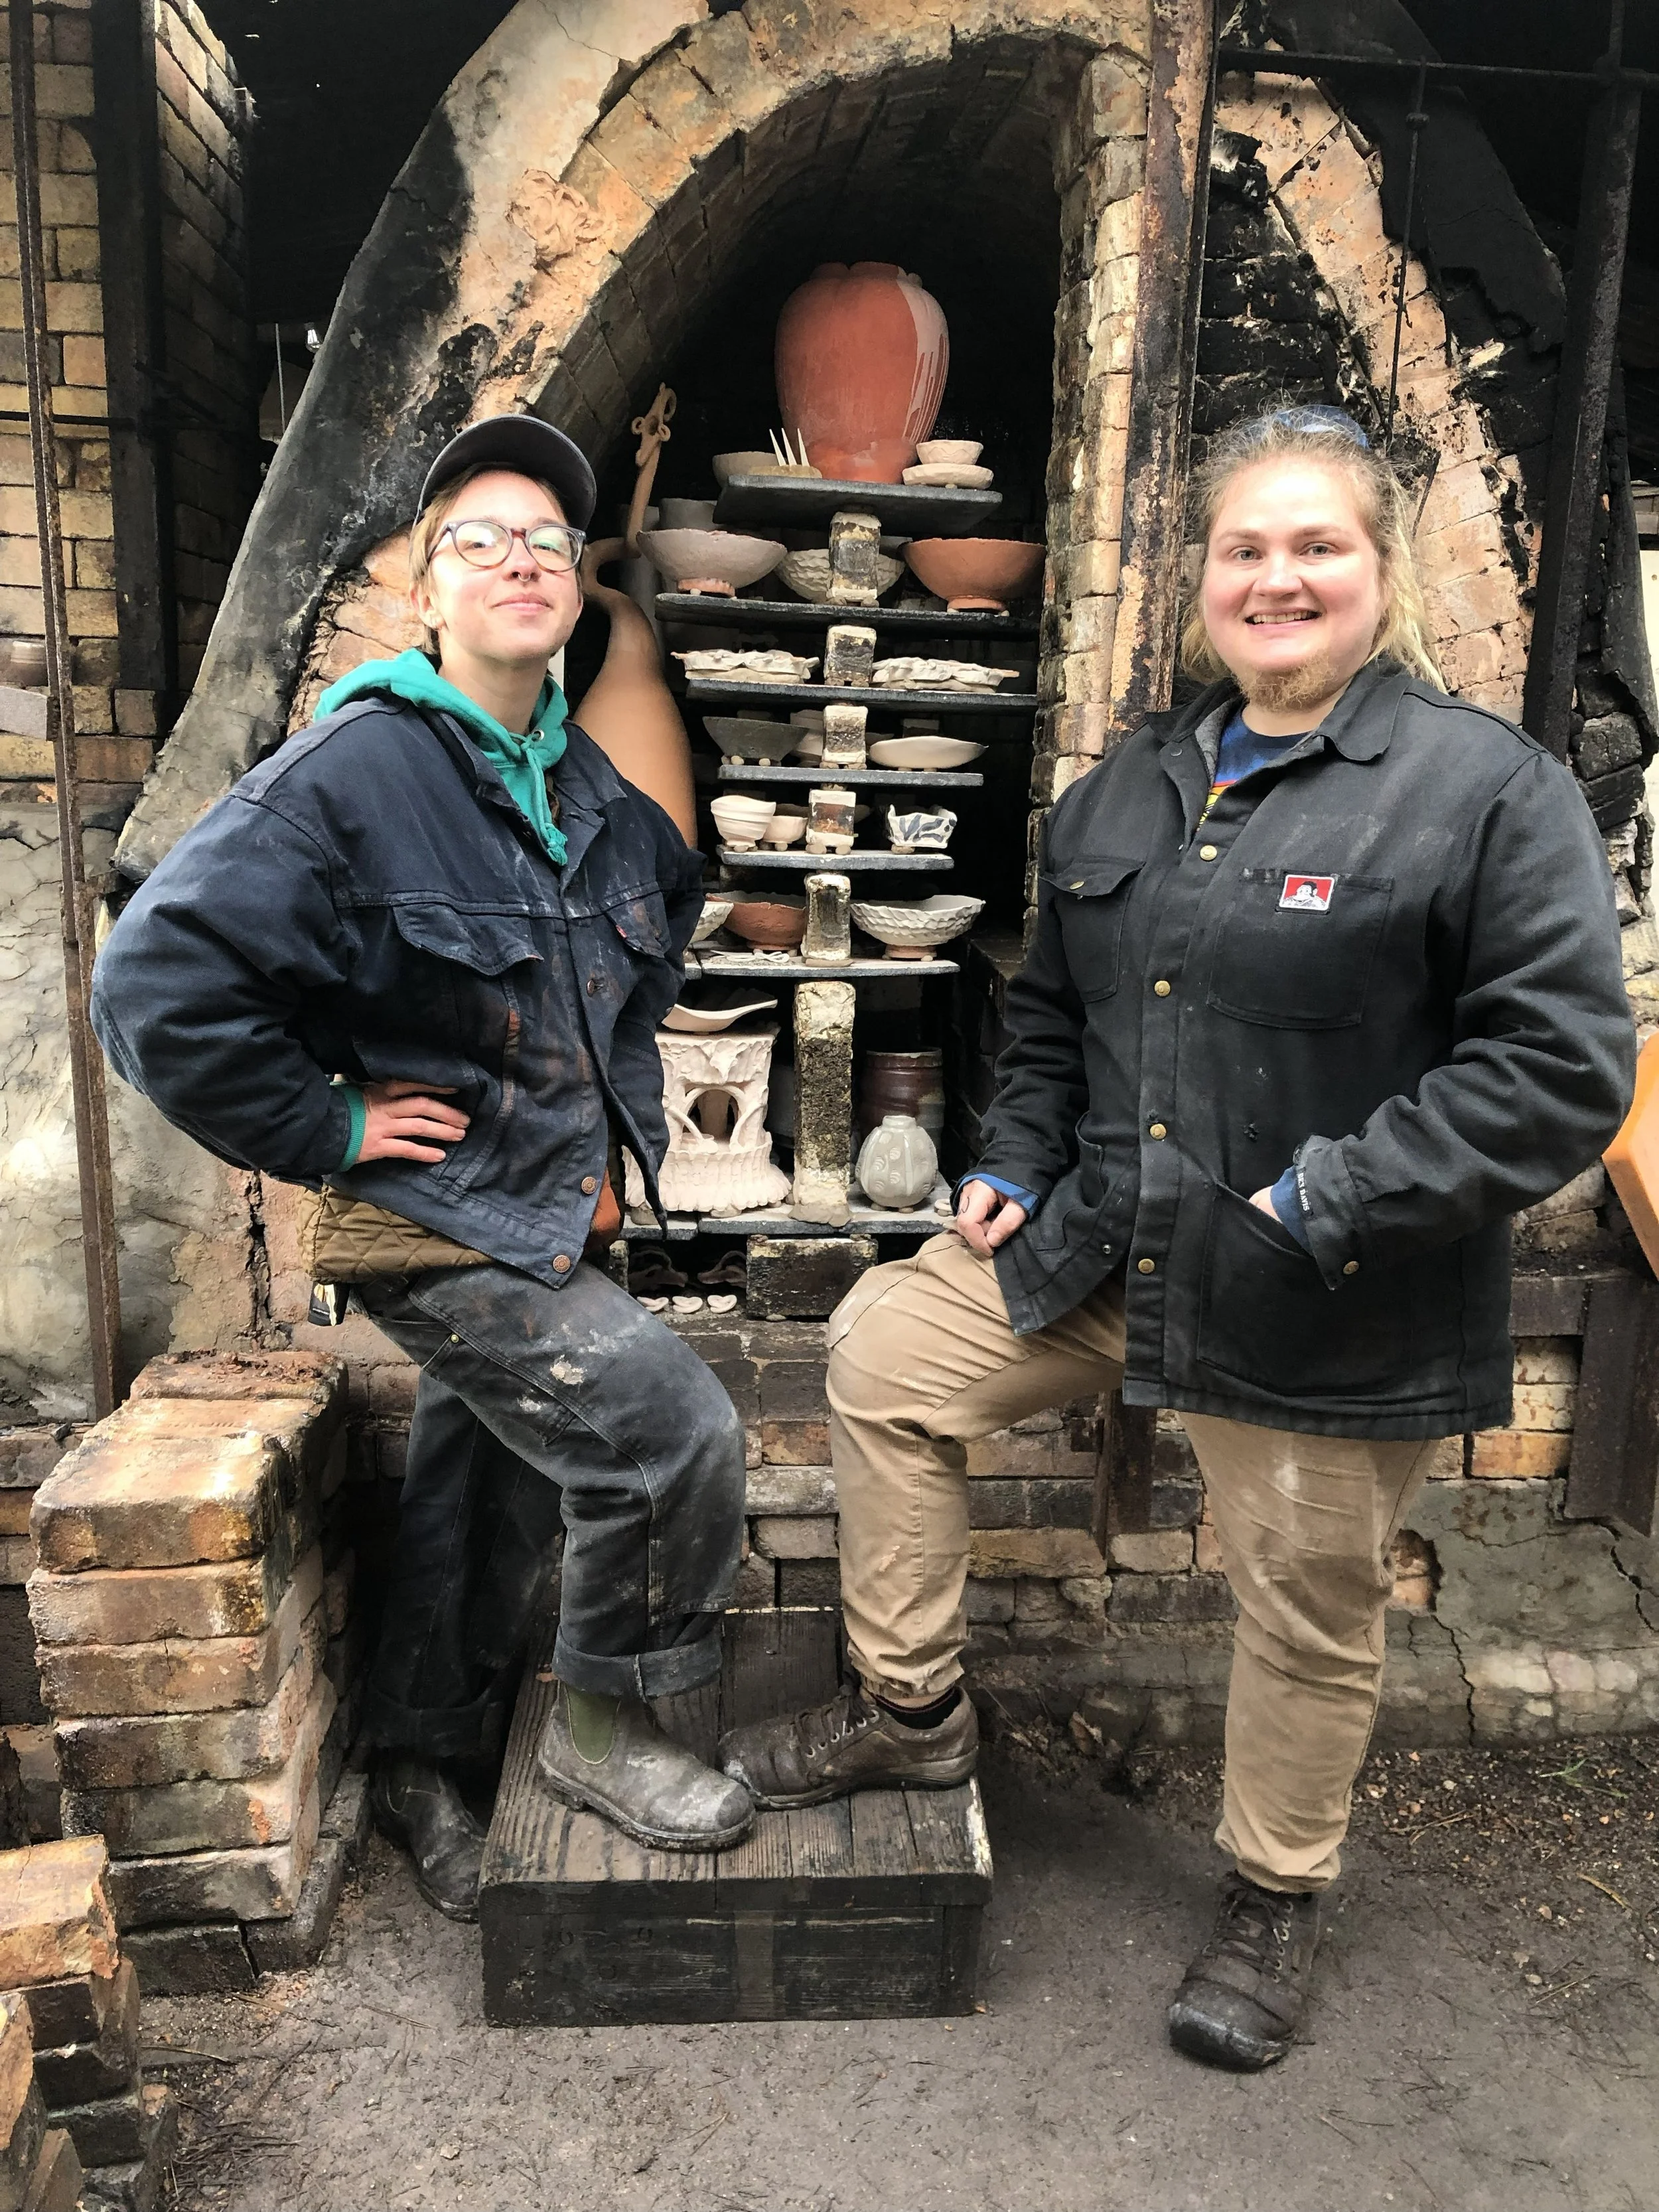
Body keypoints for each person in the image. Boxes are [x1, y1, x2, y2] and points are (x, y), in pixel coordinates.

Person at [719, 407, 1636, 2067]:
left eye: (1315, 546)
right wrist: (1010, 1154)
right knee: (883, 1352)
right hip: (1103, 1238)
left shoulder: (1481, 792)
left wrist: (1328, 1196)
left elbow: (1558, 1070)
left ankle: (1275, 1889)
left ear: (1378, 570)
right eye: (1243, 548)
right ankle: (912, 1712)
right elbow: (1052, 1008)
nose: (1276, 578)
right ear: (1201, 580)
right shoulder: (1128, 783)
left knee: (1303, 1600)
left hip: (1316, 1279)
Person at [92, 414, 754, 1923]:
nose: (522, 560)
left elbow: (651, 930)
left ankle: (417, 1756)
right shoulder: (354, 770)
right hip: (433, 1221)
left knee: (488, 1486)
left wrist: (610, 1131)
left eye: (549, 542)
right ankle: (604, 1728)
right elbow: (154, 983)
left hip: (538, 1209)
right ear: (426, 590)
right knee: (670, 1436)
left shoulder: (582, 783)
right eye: (481, 539)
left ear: (575, 588)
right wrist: (327, 1127)